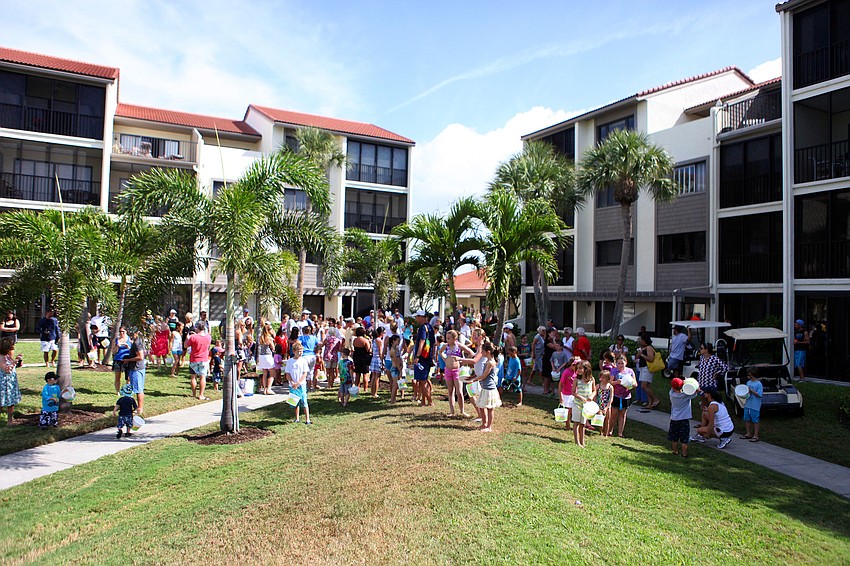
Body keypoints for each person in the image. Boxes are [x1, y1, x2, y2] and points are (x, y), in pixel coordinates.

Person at [439, 330, 475, 417]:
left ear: (454, 338)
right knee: (450, 391)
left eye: (449, 338)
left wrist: (462, 361)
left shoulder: (458, 345)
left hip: (457, 371)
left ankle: (462, 411)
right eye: (446, 338)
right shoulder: (445, 346)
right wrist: (445, 359)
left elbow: (471, 353)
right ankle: (452, 411)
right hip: (448, 370)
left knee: (459, 392)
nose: (447, 340)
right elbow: (440, 352)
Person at [470, 341, 501, 432]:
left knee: (489, 408)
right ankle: (484, 424)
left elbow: (484, 375)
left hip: (489, 389)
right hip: (485, 387)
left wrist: (475, 379)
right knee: (481, 406)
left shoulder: (490, 363)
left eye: (482, 351)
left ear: (488, 352)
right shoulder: (488, 361)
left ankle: (489, 426)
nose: (481, 353)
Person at [668, 377, 698, 457]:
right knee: (684, 438)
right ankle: (684, 454)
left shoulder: (671, 394)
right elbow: (695, 392)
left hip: (674, 419)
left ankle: (675, 451)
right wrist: (688, 383)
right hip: (684, 420)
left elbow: (673, 387)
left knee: (674, 437)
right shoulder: (685, 395)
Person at [413, 309, 436, 407]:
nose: (416, 318)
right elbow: (434, 344)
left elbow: (422, 341)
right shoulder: (430, 327)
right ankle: (423, 401)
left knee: (422, 380)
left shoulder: (423, 328)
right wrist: (433, 356)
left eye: (417, 317)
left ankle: (430, 401)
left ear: (421, 317)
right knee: (423, 380)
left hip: (422, 357)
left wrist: (417, 356)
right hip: (428, 357)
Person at [571, 360, 596, 448]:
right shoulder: (577, 379)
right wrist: (580, 397)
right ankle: (577, 442)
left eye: (580, 368)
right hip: (577, 404)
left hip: (586, 406)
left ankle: (582, 442)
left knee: (583, 424)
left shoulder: (591, 379)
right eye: (577, 368)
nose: (578, 370)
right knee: (576, 423)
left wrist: (591, 397)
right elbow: (573, 392)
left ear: (586, 369)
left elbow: (594, 390)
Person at [122, 328, 147, 415]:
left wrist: (128, 360)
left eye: (131, 333)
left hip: (137, 369)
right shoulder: (138, 341)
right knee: (138, 388)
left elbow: (140, 357)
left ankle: (140, 408)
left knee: (138, 389)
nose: (130, 334)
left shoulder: (137, 343)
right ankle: (137, 407)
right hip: (138, 368)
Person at [285, 341, 311, 424]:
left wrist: (298, 383)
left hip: (301, 385)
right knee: (295, 402)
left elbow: (305, 373)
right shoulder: (290, 361)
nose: (300, 353)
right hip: (292, 385)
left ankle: (307, 419)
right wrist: (292, 382)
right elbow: (288, 373)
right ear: (294, 351)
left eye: (302, 351)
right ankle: (297, 418)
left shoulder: (303, 361)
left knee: (304, 401)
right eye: (299, 351)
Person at [185, 321, 212, 400]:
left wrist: (187, 338)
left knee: (193, 377)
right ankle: (201, 395)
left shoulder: (193, 337)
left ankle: (194, 394)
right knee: (202, 377)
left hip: (194, 359)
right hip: (204, 359)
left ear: (197, 328)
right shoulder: (208, 337)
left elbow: (185, 345)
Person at [610, 355, 636, 437]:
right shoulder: (614, 371)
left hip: (626, 396)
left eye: (622, 363)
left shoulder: (630, 371)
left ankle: (620, 433)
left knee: (623, 414)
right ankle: (610, 430)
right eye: (618, 363)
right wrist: (617, 382)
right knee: (614, 413)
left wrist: (630, 385)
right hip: (616, 395)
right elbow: (610, 382)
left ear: (626, 362)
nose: (620, 365)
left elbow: (635, 384)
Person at [634, 334, 660, 409]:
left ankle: (655, 399)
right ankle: (650, 403)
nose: (640, 341)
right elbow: (636, 357)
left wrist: (642, 355)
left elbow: (651, 359)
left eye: (641, 340)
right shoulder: (643, 348)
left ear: (645, 341)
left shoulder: (649, 348)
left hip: (647, 368)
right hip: (642, 368)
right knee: (647, 386)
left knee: (644, 385)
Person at [0, 338, 22, 425]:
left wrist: (18, 362)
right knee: (1, 402)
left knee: (11, 403)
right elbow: (6, 369)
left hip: (10, 383)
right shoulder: (1, 357)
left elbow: (12, 367)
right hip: (4, 383)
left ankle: (10, 421)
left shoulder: (7, 356)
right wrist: (15, 361)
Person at [740, 371, 763, 442]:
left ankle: (756, 435)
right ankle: (748, 433)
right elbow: (747, 393)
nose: (749, 376)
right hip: (748, 404)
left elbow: (759, 395)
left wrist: (752, 391)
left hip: (755, 405)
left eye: (750, 375)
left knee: (755, 420)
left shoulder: (759, 384)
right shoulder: (748, 383)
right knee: (746, 418)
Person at [559, 357, 579, 431]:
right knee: (568, 411)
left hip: (575, 394)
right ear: (572, 365)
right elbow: (560, 385)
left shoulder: (576, 372)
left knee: (573, 410)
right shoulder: (566, 372)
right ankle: (567, 426)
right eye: (576, 366)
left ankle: (572, 424)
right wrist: (561, 397)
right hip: (567, 395)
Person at [297, 324, 319, 391]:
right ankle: (309, 387)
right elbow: (319, 344)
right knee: (310, 371)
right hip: (312, 355)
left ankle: (303, 386)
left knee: (302, 371)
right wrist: (317, 350)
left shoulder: (301, 337)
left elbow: (297, 343)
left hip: (304, 355)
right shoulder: (314, 338)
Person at [110, 326, 132, 394]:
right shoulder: (116, 340)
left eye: (123, 331)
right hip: (118, 359)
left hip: (127, 359)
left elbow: (133, 351)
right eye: (120, 332)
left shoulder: (129, 339)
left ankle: (128, 391)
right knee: (117, 377)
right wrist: (117, 346)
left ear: (126, 332)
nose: (121, 333)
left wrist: (128, 347)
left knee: (128, 377)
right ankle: (117, 391)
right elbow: (113, 352)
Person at [369, 327, 385, 398]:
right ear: (381, 333)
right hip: (378, 359)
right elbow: (380, 352)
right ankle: (375, 393)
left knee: (373, 376)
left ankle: (372, 392)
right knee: (377, 377)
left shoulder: (374, 339)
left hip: (374, 358)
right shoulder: (379, 340)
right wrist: (382, 361)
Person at [597, 370, 614, 438]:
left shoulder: (610, 387)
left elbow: (611, 397)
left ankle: (606, 434)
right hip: (599, 405)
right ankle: (601, 431)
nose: (601, 379)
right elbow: (595, 395)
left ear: (607, 378)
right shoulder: (598, 386)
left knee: (607, 420)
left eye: (603, 378)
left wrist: (607, 407)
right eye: (600, 377)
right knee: (600, 419)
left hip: (607, 405)